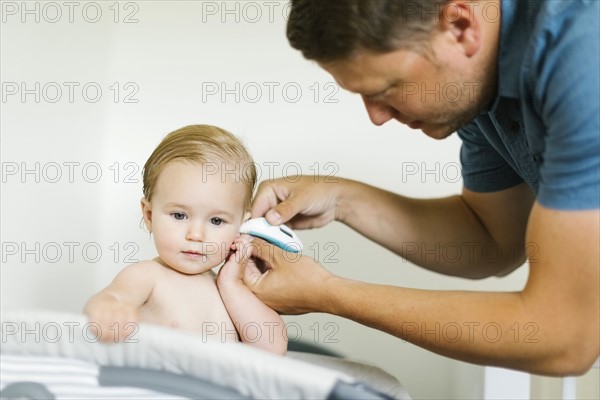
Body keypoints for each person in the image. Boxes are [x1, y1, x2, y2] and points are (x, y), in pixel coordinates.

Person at [241, 0, 599, 374]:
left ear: (460, 28)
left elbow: (565, 338)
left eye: (387, 88)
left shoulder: (582, 51)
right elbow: (492, 240)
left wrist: (328, 292)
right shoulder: (474, 83)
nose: (377, 117)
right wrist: (340, 199)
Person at [84, 124, 287, 355]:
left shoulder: (230, 289)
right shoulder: (148, 276)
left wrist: (232, 284)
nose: (196, 235)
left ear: (241, 226)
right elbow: (109, 300)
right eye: (179, 215)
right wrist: (110, 309)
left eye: (217, 221)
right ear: (149, 215)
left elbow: (273, 349)